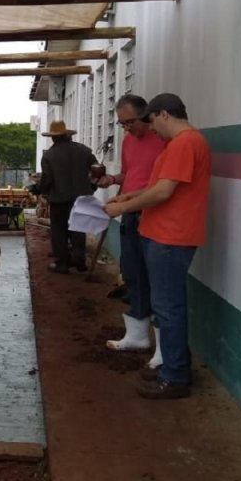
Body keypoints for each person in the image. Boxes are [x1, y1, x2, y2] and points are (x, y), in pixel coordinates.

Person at [105, 93, 211, 400]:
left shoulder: (184, 143)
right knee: (166, 304)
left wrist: (123, 208)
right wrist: (129, 196)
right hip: (165, 234)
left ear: (163, 114)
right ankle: (176, 365)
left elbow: (164, 192)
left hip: (170, 236)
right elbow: (158, 187)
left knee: (168, 307)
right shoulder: (181, 144)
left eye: (153, 121)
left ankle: (174, 375)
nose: (153, 129)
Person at [96, 95, 166, 356]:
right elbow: (129, 174)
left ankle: (163, 347)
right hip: (129, 213)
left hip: (153, 213)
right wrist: (112, 179)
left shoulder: (163, 140)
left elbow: (163, 185)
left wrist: (129, 201)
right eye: (122, 124)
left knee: (156, 277)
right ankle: (137, 334)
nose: (127, 128)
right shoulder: (128, 141)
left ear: (146, 115)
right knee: (133, 272)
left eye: (130, 122)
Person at [33, 120, 98, 273]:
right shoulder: (84, 151)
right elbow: (97, 170)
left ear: (53, 137)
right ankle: (79, 261)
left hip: (59, 199)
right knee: (78, 228)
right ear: (67, 135)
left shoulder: (49, 156)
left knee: (59, 231)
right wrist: (92, 187)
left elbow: (47, 180)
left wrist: (41, 191)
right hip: (81, 199)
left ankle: (62, 263)